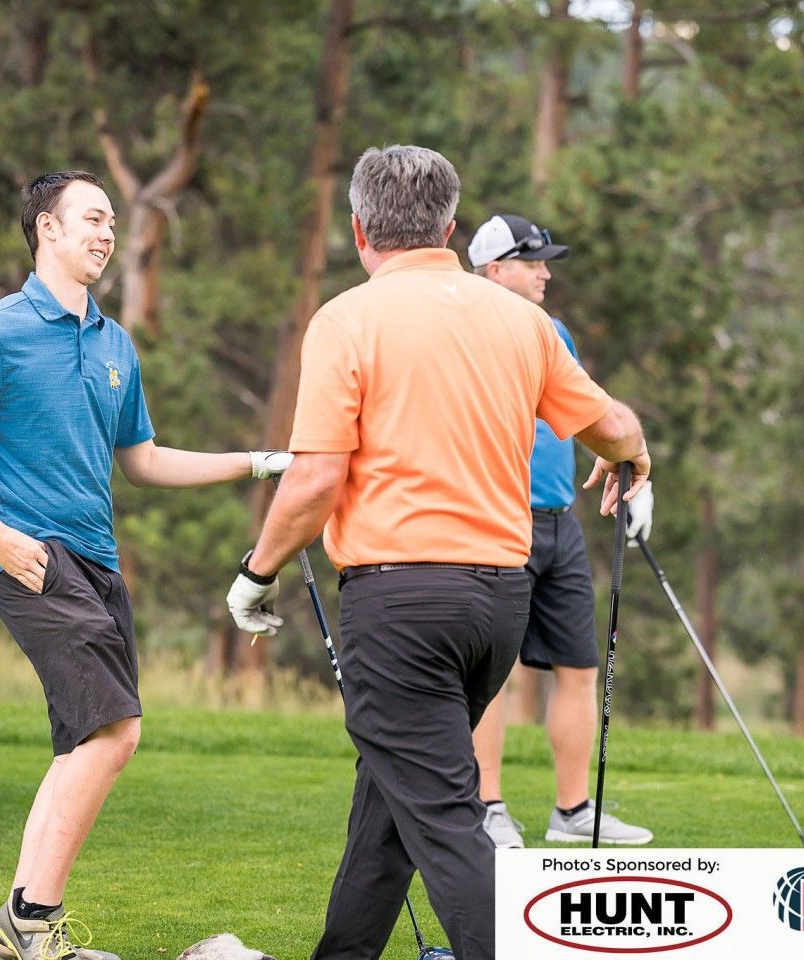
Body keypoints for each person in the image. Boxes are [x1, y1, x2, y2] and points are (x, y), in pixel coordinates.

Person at [225, 146, 650, 960]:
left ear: (358, 230)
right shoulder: (522, 321)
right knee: (386, 809)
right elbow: (614, 426)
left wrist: (258, 573)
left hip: (401, 605)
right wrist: (632, 456)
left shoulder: (347, 319)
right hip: (497, 602)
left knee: (447, 822)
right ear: (450, 228)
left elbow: (316, 478)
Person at [0, 170, 291, 960]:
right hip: (32, 558)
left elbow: (141, 461)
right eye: (92, 218)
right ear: (45, 227)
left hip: (98, 565)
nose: (106, 234)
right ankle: (32, 921)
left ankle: (19, 926)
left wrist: (257, 461)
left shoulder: (113, 342)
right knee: (115, 733)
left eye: (111, 222)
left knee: (84, 745)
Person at [465, 213, 655, 849]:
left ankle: (573, 812)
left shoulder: (554, 332)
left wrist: (628, 468)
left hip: (559, 524)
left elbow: (590, 413)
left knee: (578, 665)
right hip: (496, 521)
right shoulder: (466, 329)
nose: (546, 272)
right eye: (533, 261)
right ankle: (487, 806)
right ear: (496, 269)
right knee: (492, 672)